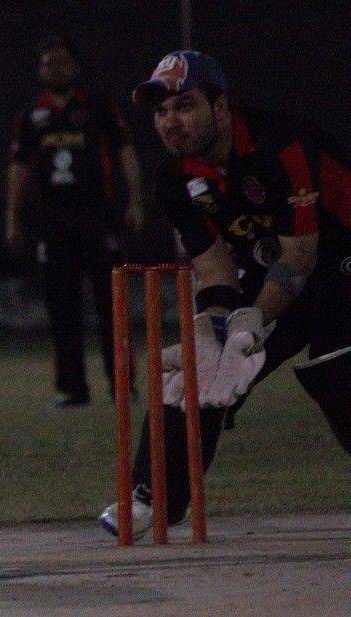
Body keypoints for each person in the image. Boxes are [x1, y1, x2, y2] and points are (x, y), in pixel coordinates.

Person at [99, 50, 351, 539]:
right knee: (204, 370)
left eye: (185, 105)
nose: (170, 122)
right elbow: (216, 269)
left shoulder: (281, 145)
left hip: (336, 256)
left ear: (220, 107)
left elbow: (300, 257)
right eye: (161, 111)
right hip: (273, 266)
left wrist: (250, 322)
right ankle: (152, 497)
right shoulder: (174, 179)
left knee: (335, 364)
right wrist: (213, 327)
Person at [5, 36, 146, 409]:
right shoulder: (31, 114)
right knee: (61, 309)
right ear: (39, 70)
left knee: (111, 305)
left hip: (98, 218)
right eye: (48, 63)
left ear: (76, 66)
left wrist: (135, 200)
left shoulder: (97, 105)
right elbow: (18, 169)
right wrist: (13, 218)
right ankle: (71, 390)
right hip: (52, 223)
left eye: (63, 62)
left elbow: (125, 150)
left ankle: (122, 386)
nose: (56, 69)